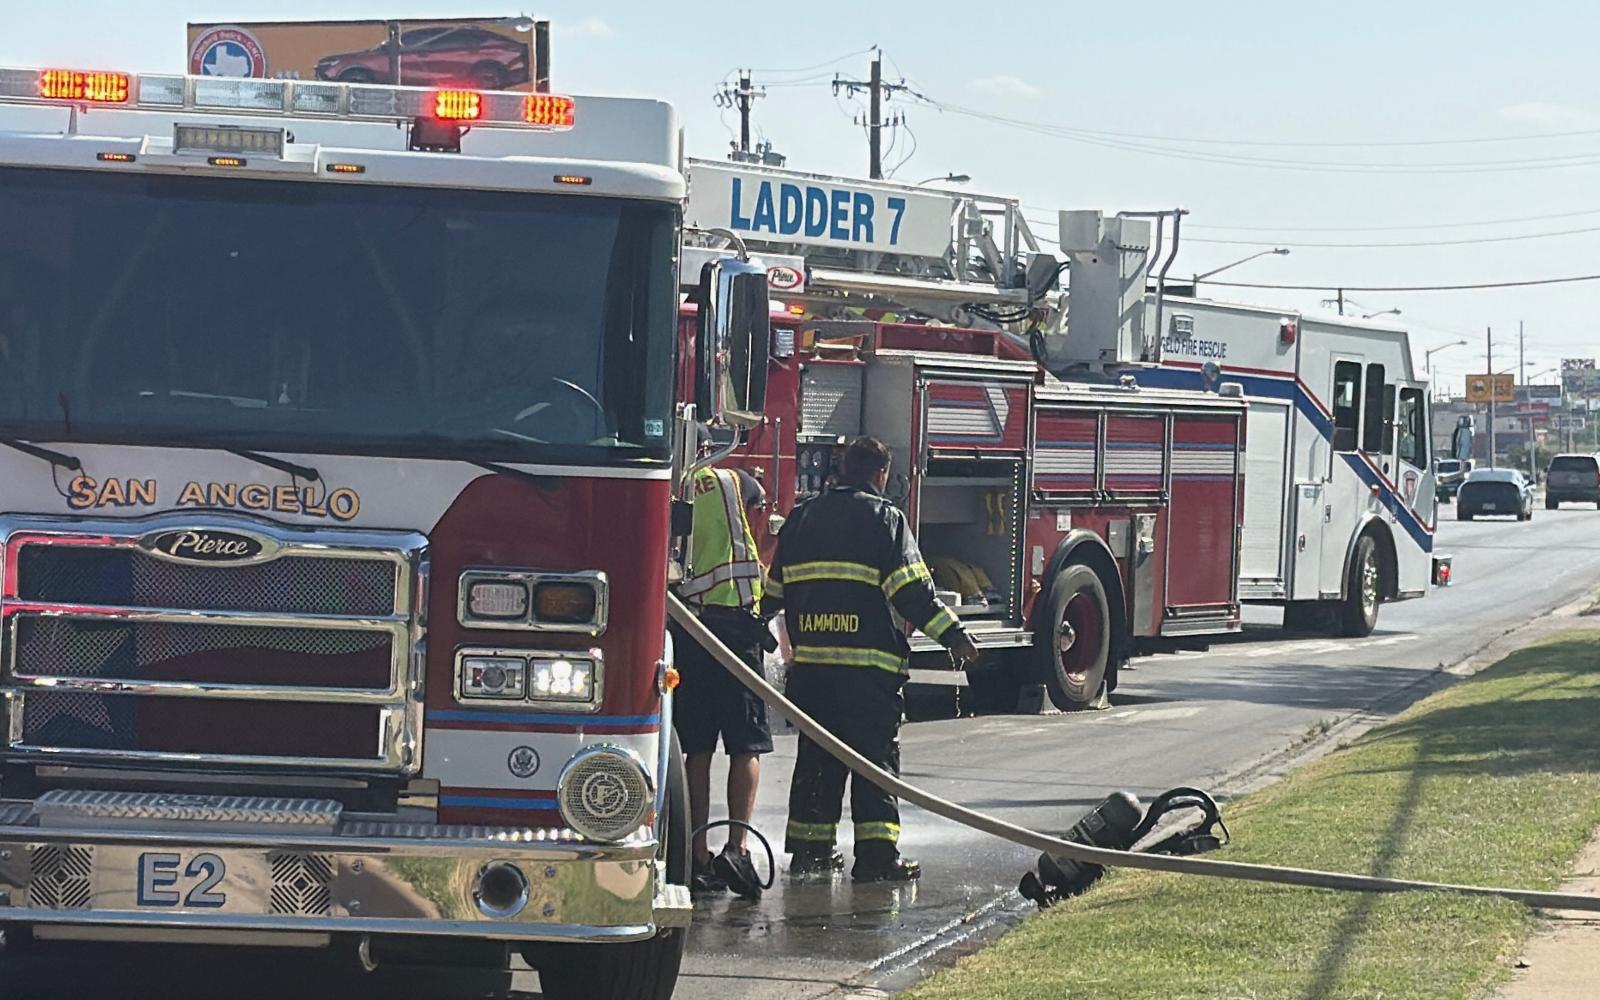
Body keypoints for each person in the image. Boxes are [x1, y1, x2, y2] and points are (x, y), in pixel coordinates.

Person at [766, 436, 980, 883]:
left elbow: (772, 594)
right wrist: (954, 636)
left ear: (843, 469)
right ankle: (877, 858)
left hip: (811, 674)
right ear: (880, 474)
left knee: (817, 762)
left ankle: (810, 852)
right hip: (868, 675)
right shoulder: (887, 519)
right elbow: (914, 595)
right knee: (875, 764)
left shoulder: (801, 519)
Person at [672, 463, 773, 899]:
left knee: (696, 746)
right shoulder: (737, 482)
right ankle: (737, 848)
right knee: (745, 743)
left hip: (688, 627)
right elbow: (760, 531)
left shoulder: (671, 477)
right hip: (733, 622)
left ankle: (697, 856)